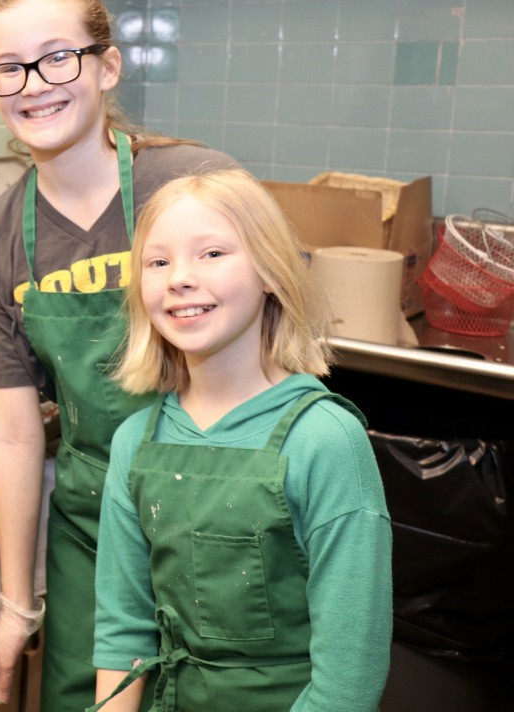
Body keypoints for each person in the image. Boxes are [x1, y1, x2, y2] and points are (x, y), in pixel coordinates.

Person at [0, 0, 241, 712]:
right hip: (95, 528)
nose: (34, 84)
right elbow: (18, 435)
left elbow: (279, 358)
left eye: (59, 58)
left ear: (107, 68)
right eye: (8, 68)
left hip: (222, 519)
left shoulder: (194, 187)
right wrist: (16, 611)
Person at [91, 169, 393, 711]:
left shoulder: (324, 442)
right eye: (158, 262)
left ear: (270, 273)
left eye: (211, 254)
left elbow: (350, 676)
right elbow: (124, 631)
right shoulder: (135, 441)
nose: (180, 277)